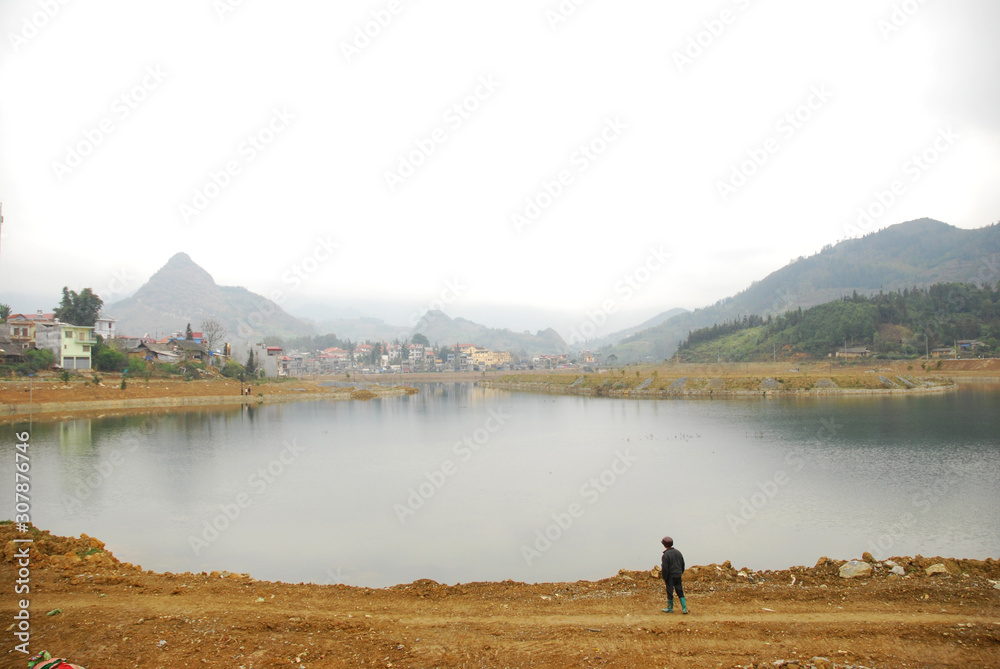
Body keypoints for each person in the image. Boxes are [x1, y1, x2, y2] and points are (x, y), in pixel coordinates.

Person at [660, 536, 688, 614]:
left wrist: (664, 577)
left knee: (670, 591)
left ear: (664, 545)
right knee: (680, 591)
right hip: (678, 575)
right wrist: (680, 573)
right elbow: (682, 564)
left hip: (670, 576)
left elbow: (665, 568)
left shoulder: (666, 555)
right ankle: (684, 608)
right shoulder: (678, 552)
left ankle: (670, 608)